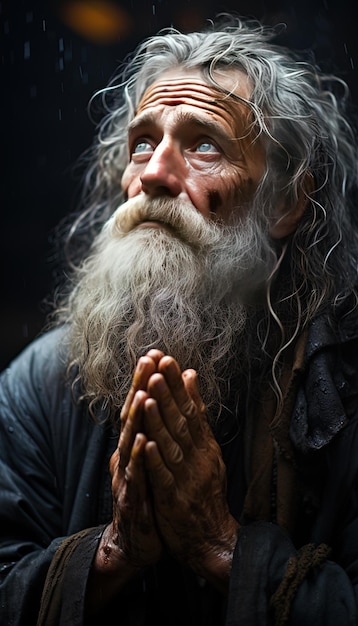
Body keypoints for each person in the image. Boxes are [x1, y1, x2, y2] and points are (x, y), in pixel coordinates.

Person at [1, 14, 358, 626]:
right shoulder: (40, 381)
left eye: (203, 144)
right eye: (142, 143)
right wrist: (111, 556)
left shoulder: (344, 389)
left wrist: (220, 545)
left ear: (286, 201)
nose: (154, 175)